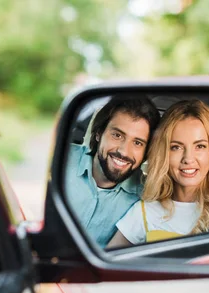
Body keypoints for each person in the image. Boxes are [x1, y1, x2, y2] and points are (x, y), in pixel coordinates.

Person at [107, 99, 209, 248]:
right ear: (164, 154)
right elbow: (107, 264)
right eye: (176, 147)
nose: (188, 159)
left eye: (200, 146)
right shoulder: (144, 212)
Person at [65, 95, 160, 247]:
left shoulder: (145, 201)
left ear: (146, 152)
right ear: (98, 133)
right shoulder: (63, 159)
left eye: (137, 143)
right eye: (117, 135)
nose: (124, 151)